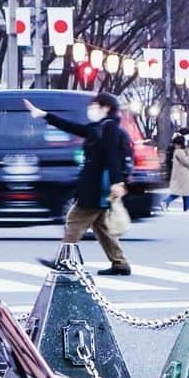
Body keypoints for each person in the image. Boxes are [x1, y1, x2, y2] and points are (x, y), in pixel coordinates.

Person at [24, 93, 132, 275]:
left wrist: (116, 182)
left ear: (106, 108)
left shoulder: (109, 128)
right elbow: (72, 127)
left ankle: (64, 259)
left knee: (75, 219)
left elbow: (113, 156)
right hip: (96, 184)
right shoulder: (100, 127)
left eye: (95, 105)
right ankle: (120, 263)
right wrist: (43, 115)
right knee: (101, 227)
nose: (91, 109)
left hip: (98, 186)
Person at [161, 133, 189, 211]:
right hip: (182, 176)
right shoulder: (179, 151)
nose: (175, 145)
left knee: (181, 192)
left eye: (176, 144)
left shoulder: (178, 151)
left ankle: (187, 207)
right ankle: (187, 207)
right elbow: (187, 161)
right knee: (186, 192)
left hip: (181, 175)